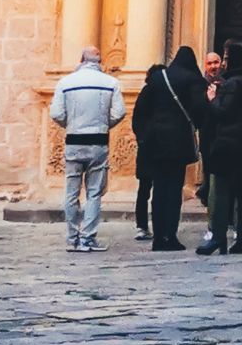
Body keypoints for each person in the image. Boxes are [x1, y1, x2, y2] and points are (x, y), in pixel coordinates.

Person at [50, 46, 124, 253]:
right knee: (94, 193)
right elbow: (119, 112)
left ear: (81, 59)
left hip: (74, 140)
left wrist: (71, 124)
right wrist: (103, 125)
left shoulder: (66, 82)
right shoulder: (111, 83)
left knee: (71, 192)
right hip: (98, 141)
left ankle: (72, 237)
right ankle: (88, 238)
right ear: (99, 61)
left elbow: (56, 113)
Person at [131, 47, 207, 251]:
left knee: (159, 190)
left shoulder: (157, 79)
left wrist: (144, 137)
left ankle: (157, 237)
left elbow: (140, 111)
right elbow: (200, 109)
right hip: (178, 143)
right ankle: (170, 235)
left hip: (155, 143)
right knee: (174, 191)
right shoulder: (192, 79)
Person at [198, 40, 242, 257]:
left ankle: (217, 237)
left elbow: (223, 112)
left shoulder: (234, 84)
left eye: (225, 58)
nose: (223, 62)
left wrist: (212, 99)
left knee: (222, 191)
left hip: (229, 143)